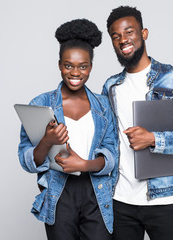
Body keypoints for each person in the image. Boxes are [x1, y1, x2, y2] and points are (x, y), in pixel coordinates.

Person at [102, 6, 173, 240]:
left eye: (129, 32)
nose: (123, 40)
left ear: (144, 33)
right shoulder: (111, 86)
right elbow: (105, 140)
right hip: (120, 200)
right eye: (116, 36)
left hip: (164, 198)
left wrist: (153, 139)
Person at [18, 19, 118, 240]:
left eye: (83, 66)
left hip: (96, 192)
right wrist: (47, 141)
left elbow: (112, 155)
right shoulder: (40, 104)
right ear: (59, 64)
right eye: (68, 65)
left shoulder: (103, 105)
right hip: (59, 193)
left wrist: (84, 164)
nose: (75, 72)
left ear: (91, 66)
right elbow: (28, 162)